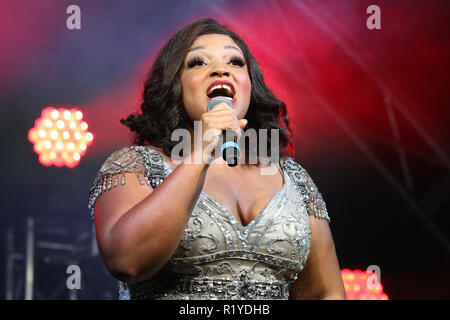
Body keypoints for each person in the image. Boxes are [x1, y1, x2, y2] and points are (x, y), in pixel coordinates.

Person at [88, 18, 345, 300]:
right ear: (175, 84)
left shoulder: (294, 178)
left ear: (250, 85)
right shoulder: (135, 165)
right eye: (198, 62)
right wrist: (201, 152)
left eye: (235, 62)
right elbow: (127, 261)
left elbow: (324, 293)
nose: (221, 69)